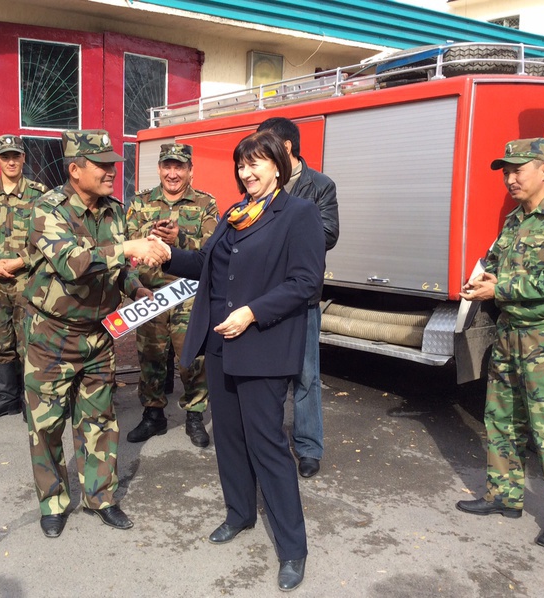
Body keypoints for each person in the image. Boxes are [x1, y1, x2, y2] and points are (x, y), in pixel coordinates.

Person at [162, 130, 326, 591]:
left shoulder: (299, 213)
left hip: (263, 347)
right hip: (221, 343)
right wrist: (168, 255)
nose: (246, 172)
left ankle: (292, 549)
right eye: (241, 164)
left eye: (255, 163)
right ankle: (240, 514)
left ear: (278, 165)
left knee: (267, 445)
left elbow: (305, 282)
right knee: (229, 439)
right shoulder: (234, 214)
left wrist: (252, 312)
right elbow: (207, 263)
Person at [23, 129, 169, 538]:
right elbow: (72, 263)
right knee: (46, 425)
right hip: (52, 335)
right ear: (75, 170)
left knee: (100, 420)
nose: (111, 172)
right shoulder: (47, 209)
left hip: (99, 335)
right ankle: (53, 503)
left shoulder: (114, 211)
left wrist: (135, 287)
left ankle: (101, 498)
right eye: (102, 165)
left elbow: (116, 269)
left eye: (113, 165)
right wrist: (129, 249)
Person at [456, 138, 544, 548]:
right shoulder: (515, 221)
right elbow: (495, 263)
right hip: (510, 333)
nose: (510, 179)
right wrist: (479, 281)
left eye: (518, 170)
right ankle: (504, 495)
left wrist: (498, 289)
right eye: (506, 172)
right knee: (501, 417)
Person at [257, 116, 339, 478]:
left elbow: (329, 233)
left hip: (302, 297)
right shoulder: (262, 182)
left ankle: (308, 447)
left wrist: (281, 229)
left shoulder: (319, 185)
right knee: (270, 376)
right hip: (266, 298)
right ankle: (270, 443)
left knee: (306, 376)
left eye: (265, 144)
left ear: (286, 146)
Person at [125, 143, 218, 448]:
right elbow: (126, 244)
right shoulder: (140, 203)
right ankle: (153, 415)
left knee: (191, 358)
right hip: (151, 294)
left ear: (190, 170)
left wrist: (180, 238)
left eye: (179, 167)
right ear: (159, 169)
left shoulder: (206, 203)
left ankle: (194, 415)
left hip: (188, 294)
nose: (173, 173)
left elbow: (212, 250)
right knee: (150, 356)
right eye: (168, 166)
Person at [0, 135, 48, 420]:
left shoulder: (39, 194)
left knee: (29, 341)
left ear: (23, 158)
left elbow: (47, 237)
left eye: (16, 156)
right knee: (1, 342)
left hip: (26, 279)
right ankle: (7, 399)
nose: (11, 161)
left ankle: (30, 400)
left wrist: (20, 261)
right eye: (5, 157)